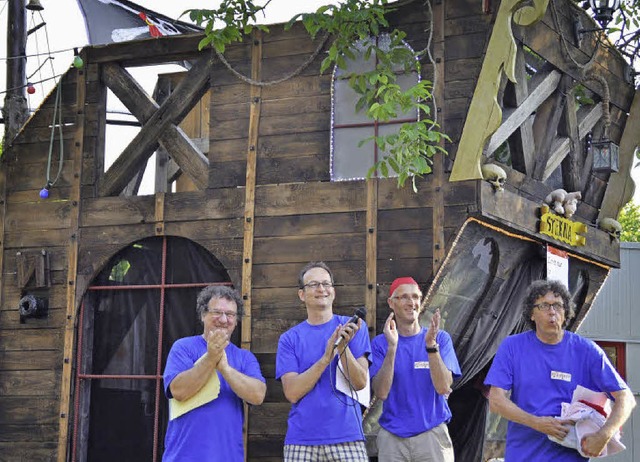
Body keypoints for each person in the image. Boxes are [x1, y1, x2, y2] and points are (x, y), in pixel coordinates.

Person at [485, 279, 636, 461]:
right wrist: (537, 423)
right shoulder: (512, 346)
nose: (552, 312)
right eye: (544, 306)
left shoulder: (587, 351)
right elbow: (496, 401)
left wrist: (604, 434)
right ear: (531, 314)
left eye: (558, 305)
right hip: (523, 455)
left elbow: (626, 398)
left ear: (566, 313)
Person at [276, 261, 372, 461]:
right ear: (302, 295)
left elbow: (360, 382)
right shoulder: (289, 338)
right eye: (313, 285)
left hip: (347, 437)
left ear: (333, 291)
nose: (321, 289)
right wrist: (326, 358)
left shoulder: (354, 328)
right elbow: (292, 393)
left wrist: (343, 349)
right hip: (301, 441)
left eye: (326, 284)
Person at [162, 285, 266, 461]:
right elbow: (178, 391)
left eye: (231, 314)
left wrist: (225, 368)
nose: (224, 319)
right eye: (217, 312)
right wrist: (211, 358)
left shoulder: (244, 357)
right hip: (183, 456)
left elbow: (257, 396)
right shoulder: (183, 347)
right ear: (203, 315)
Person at [371, 276, 461, 462]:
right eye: (404, 297)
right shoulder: (381, 344)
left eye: (415, 297)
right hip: (392, 438)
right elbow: (381, 392)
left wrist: (430, 346)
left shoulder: (440, 339)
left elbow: (444, 387)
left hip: (432, 434)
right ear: (391, 303)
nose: (411, 302)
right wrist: (392, 348)